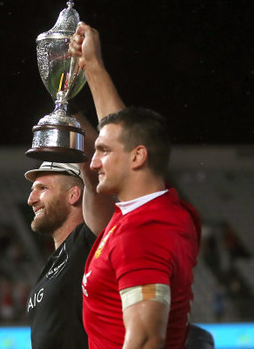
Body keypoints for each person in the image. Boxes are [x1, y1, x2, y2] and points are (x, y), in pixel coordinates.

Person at [69, 22, 205, 349]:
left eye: (102, 152)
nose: (95, 161)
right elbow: (124, 134)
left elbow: (145, 340)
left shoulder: (145, 232)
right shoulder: (155, 209)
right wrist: (92, 67)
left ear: (137, 158)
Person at [24, 161, 111, 349]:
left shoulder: (91, 240)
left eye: (42, 188)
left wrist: (78, 139)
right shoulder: (51, 265)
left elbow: (95, 186)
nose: (31, 199)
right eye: (33, 190)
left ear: (73, 194)